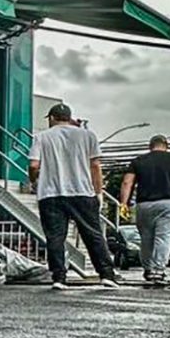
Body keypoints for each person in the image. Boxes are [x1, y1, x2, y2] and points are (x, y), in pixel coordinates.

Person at [28, 103, 120, 291]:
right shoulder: (88, 135)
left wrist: (34, 181)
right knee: (93, 235)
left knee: (55, 237)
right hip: (82, 192)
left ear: (51, 118)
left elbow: (34, 166)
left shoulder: (41, 137)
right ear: (70, 118)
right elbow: (95, 166)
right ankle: (107, 275)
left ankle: (59, 278)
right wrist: (99, 192)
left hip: (51, 194)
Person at [119, 135, 170, 286]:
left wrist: (123, 204)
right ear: (166, 145)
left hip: (143, 205)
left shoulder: (138, 161)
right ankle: (158, 270)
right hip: (168, 204)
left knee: (146, 239)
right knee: (163, 238)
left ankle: (148, 270)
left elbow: (126, 182)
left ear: (150, 146)